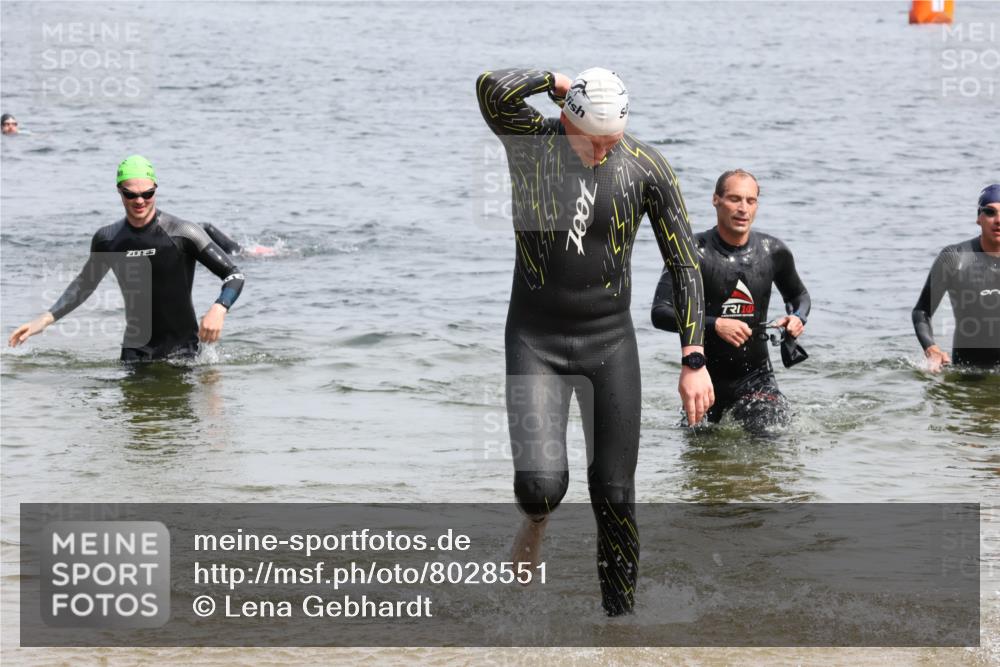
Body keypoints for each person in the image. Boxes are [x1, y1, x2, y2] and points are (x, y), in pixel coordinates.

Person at [477, 67, 712, 615]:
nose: (604, 150)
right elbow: (491, 86)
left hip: (609, 344)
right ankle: (535, 521)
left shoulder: (646, 167)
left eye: (614, 140)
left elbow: (685, 264)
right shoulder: (532, 147)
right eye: (593, 140)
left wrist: (693, 356)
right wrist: (556, 80)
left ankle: (620, 629)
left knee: (615, 496)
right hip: (535, 339)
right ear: (566, 121)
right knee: (540, 486)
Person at [8, 155, 245, 362]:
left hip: (183, 354)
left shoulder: (183, 232)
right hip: (134, 355)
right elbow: (84, 285)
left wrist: (219, 307)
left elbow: (234, 275)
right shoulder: (108, 239)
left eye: (147, 194)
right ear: (119, 191)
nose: (140, 201)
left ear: (155, 189)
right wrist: (45, 319)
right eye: (131, 195)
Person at [652, 169, 810, 432]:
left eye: (751, 201)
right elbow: (661, 313)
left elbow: (798, 296)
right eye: (735, 199)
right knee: (700, 464)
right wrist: (716, 325)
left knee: (771, 440)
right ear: (716, 200)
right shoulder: (691, 252)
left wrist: (796, 318)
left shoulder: (773, 252)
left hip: (757, 380)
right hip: (704, 379)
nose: (743, 209)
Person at [912, 184, 1000, 372]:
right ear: (979, 218)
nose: (998, 220)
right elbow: (921, 311)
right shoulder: (954, 257)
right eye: (990, 212)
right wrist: (931, 348)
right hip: (967, 375)